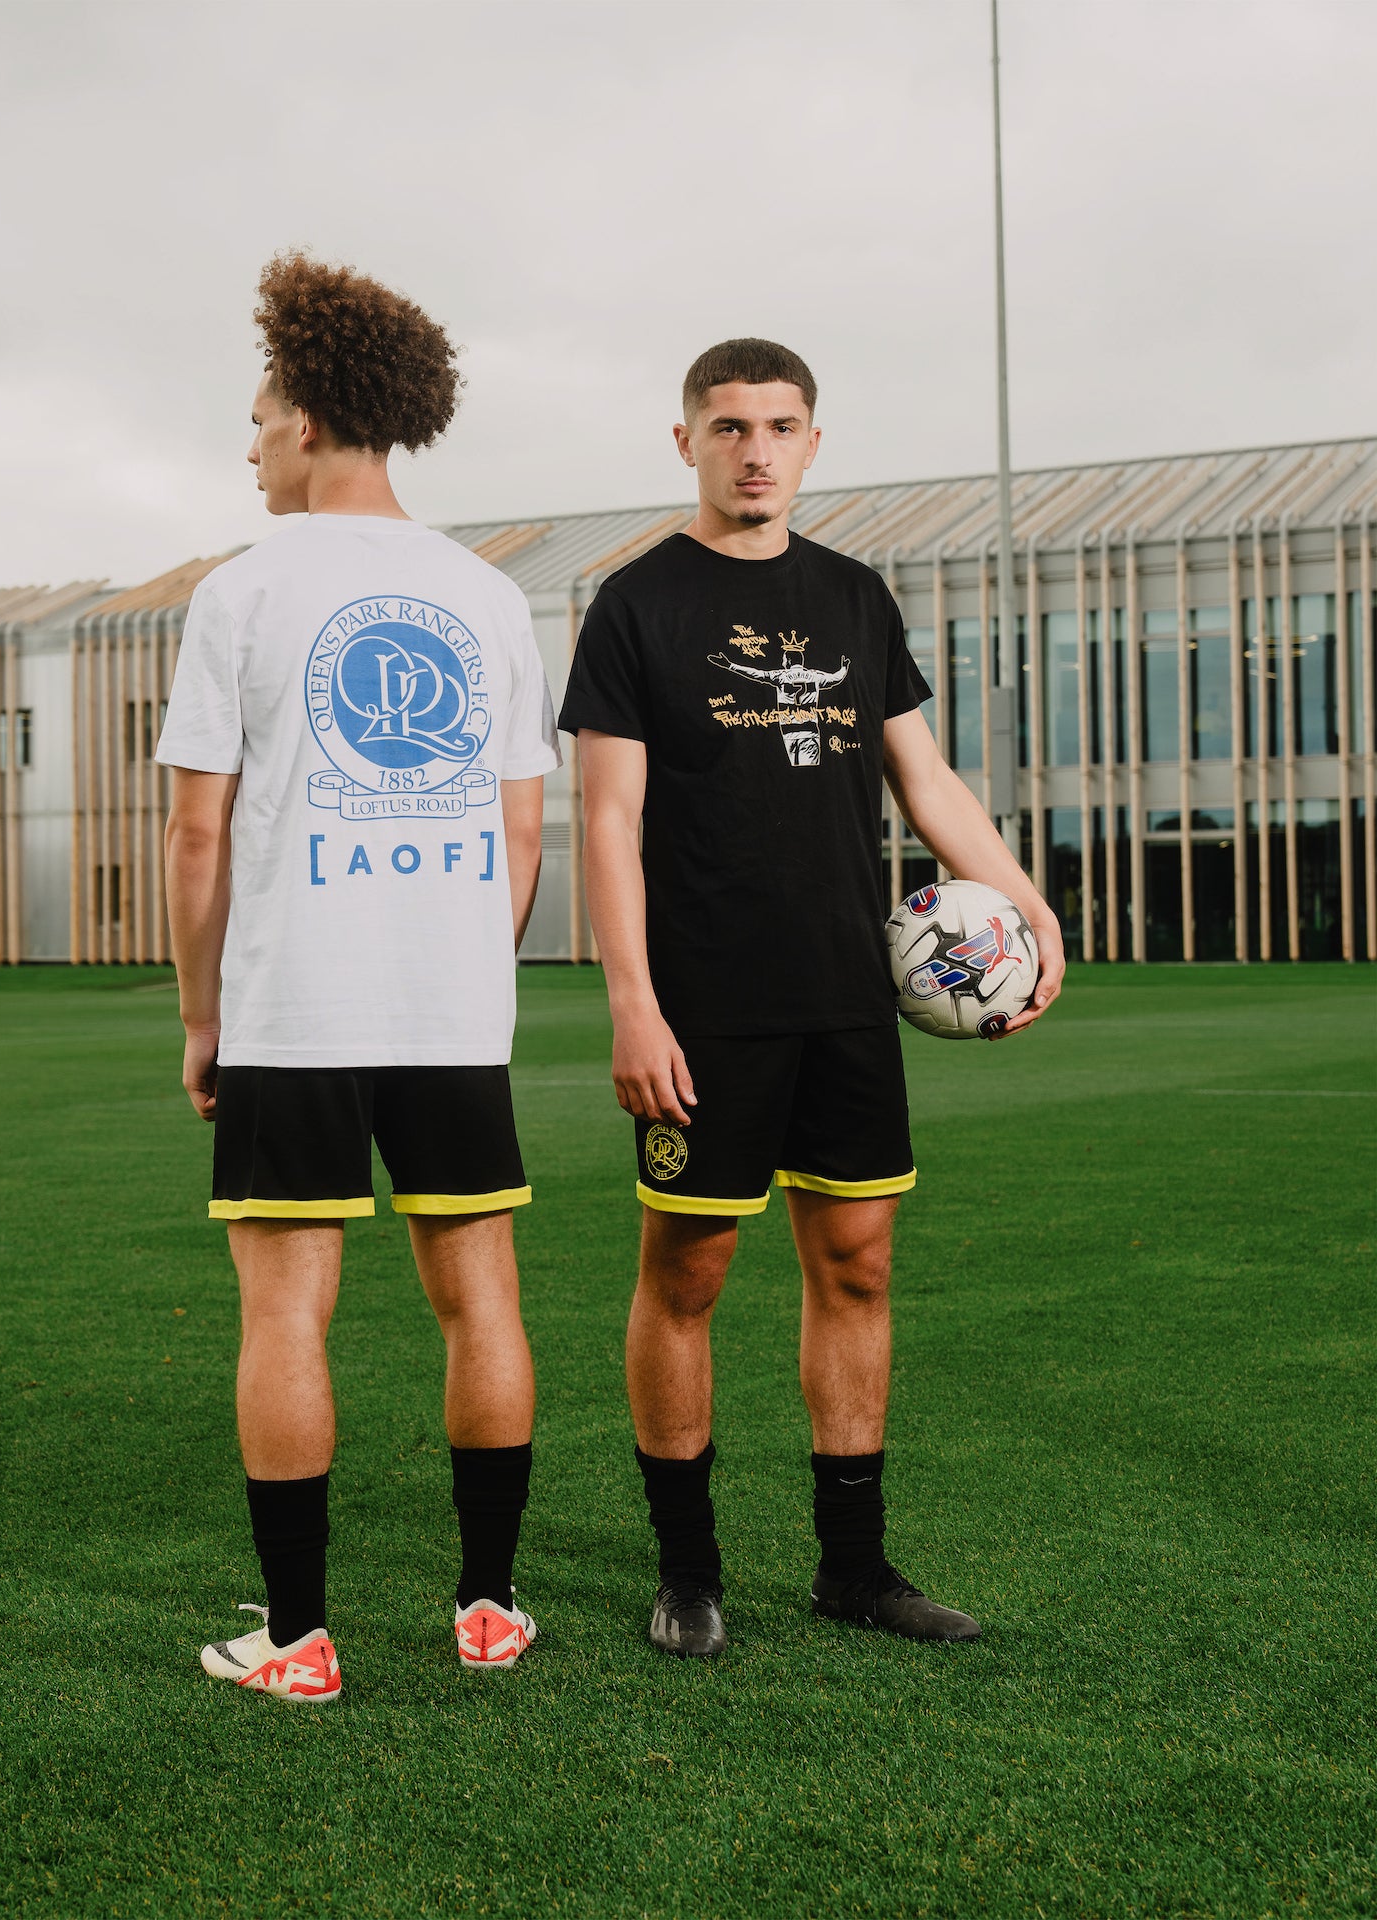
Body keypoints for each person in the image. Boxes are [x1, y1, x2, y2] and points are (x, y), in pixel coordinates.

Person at [558, 338, 1064, 1659]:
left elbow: (926, 780)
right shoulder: (635, 606)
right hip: (704, 1006)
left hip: (847, 996)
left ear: (813, 444)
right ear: (687, 442)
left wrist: (1023, 900)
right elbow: (608, 821)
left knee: (858, 1262)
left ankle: (854, 1570)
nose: (756, 451)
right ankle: (688, 1572)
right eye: (730, 427)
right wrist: (631, 1003)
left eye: (780, 427)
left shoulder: (853, 596)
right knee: (688, 1272)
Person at [157, 252, 561, 1701]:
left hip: (294, 1012)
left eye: (261, 420)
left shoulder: (240, 592)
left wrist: (202, 1014)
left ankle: (299, 1639)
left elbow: (195, 832)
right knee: (482, 1303)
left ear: (314, 419)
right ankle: (490, 1610)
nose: (252, 447)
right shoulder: (490, 597)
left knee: (285, 1315)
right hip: (455, 1018)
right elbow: (524, 832)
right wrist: (457, 966)